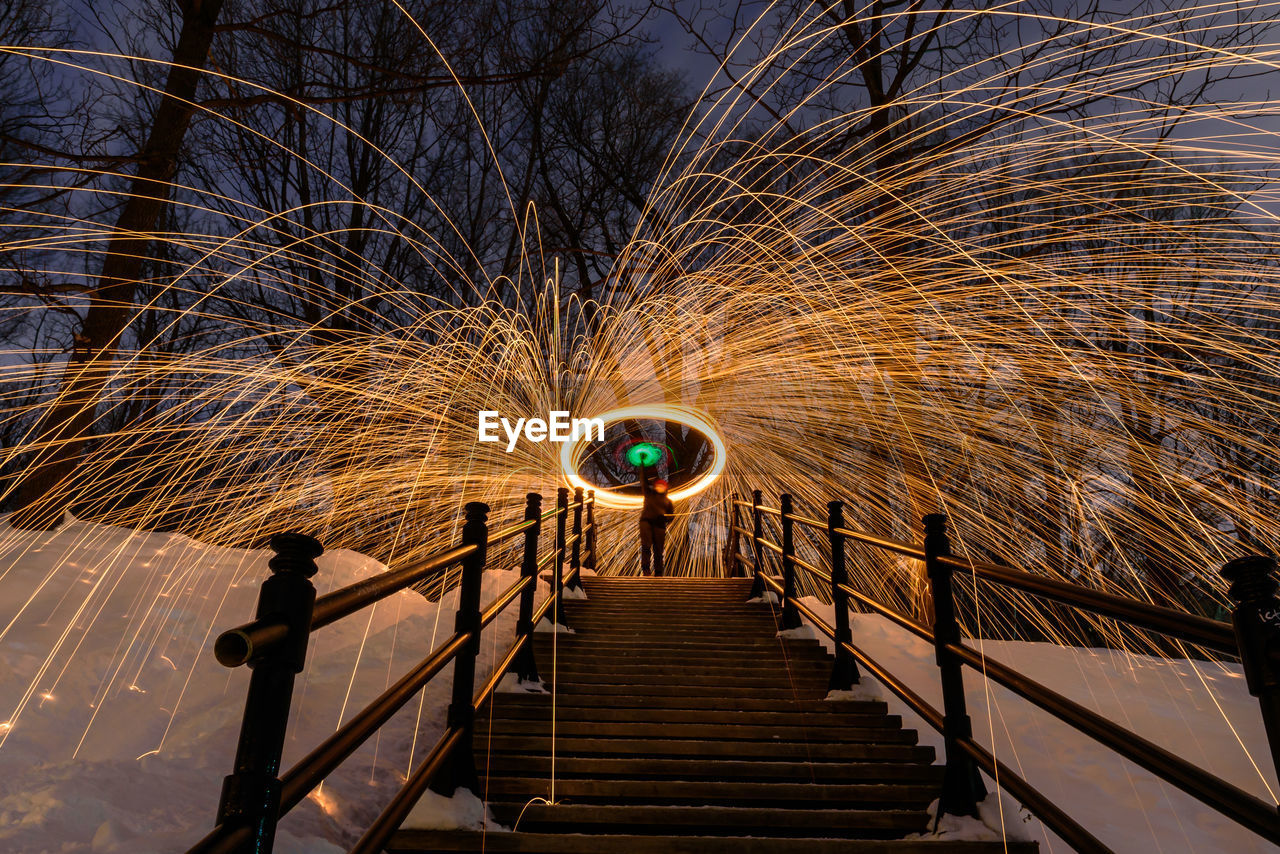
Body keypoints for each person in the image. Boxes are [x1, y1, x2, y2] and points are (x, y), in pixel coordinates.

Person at [638, 463, 674, 576]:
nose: (660, 487)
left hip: (659, 525)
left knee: (658, 550)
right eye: (658, 485)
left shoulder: (668, 502)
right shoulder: (648, 494)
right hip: (646, 522)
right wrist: (642, 465)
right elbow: (643, 481)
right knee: (646, 546)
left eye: (662, 486)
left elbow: (672, 516)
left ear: (665, 488)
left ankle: (658, 572)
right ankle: (646, 569)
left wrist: (665, 518)